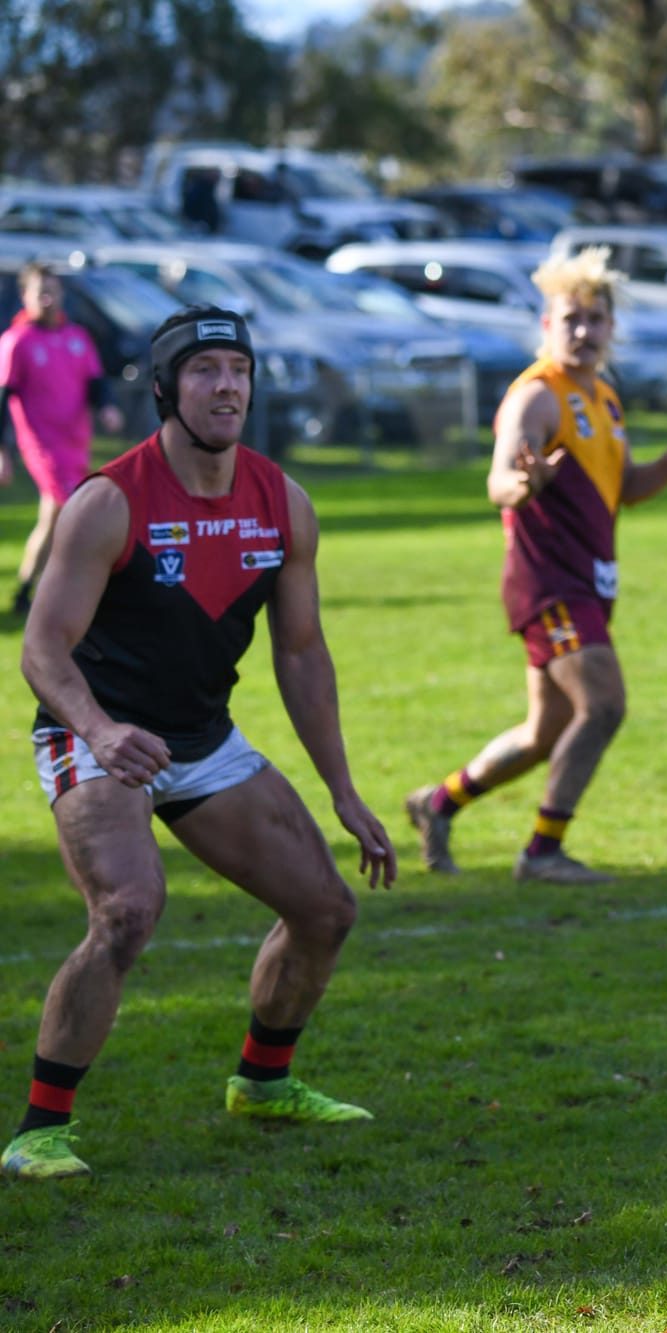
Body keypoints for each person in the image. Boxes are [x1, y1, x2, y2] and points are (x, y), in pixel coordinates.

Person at [3, 306, 397, 1182]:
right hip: (94, 729)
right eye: (205, 369)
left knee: (327, 910)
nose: (226, 386)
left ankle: (263, 1083)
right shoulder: (111, 500)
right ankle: (39, 1128)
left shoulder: (281, 501)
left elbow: (300, 652)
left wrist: (341, 788)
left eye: (239, 370)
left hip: (202, 737)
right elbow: (41, 647)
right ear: (164, 388)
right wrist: (102, 731)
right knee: (128, 910)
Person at [404, 247, 667, 883]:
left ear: (610, 328)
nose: (583, 330)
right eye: (570, 319)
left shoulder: (602, 397)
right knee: (603, 705)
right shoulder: (537, 397)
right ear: (546, 325)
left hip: (589, 581)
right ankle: (542, 852)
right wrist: (526, 485)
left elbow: (625, 486)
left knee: (545, 731)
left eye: (595, 319)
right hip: (549, 582)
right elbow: (498, 482)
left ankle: (436, 803)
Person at [1, 262, 125, 615]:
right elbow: (2, 395)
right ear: (25, 296)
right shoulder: (16, 341)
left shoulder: (76, 337)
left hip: (76, 442)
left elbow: (95, 383)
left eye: (52, 289)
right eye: (39, 290)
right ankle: (73, 593)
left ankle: (26, 589)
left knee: (53, 517)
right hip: (41, 444)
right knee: (73, 511)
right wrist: (2, 453)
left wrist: (108, 408)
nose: (46, 296)